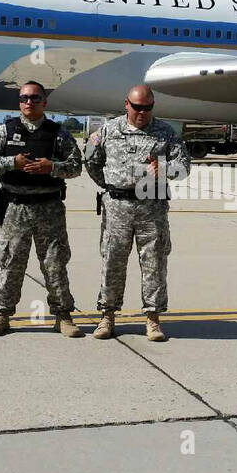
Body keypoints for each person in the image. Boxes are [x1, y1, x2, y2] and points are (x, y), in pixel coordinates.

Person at [85, 84, 191, 342]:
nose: (142, 112)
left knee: (154, 263)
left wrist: (165, 168)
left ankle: (153, 320)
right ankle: (107, 316)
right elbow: (91, 160)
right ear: (126, 104)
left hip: (151, 208)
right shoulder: (109, 130)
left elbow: (185, 166)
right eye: (137, 107)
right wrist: (112, 186)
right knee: (112, 262)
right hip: (117, 207)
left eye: (148, 107)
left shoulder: (165, 132)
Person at [0, 81, 84, 338]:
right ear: (19, 102)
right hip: (16, 208)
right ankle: (1, 315)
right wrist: (11, 162)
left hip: (49, 207)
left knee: (55, 263)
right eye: (24, 98)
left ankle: (63, 316)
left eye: (35, 98)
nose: (29, 102)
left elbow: (76, 166)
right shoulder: (5, 131)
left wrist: (53, 168)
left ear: (44, 102)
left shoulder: (58, 134)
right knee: (10, 262)